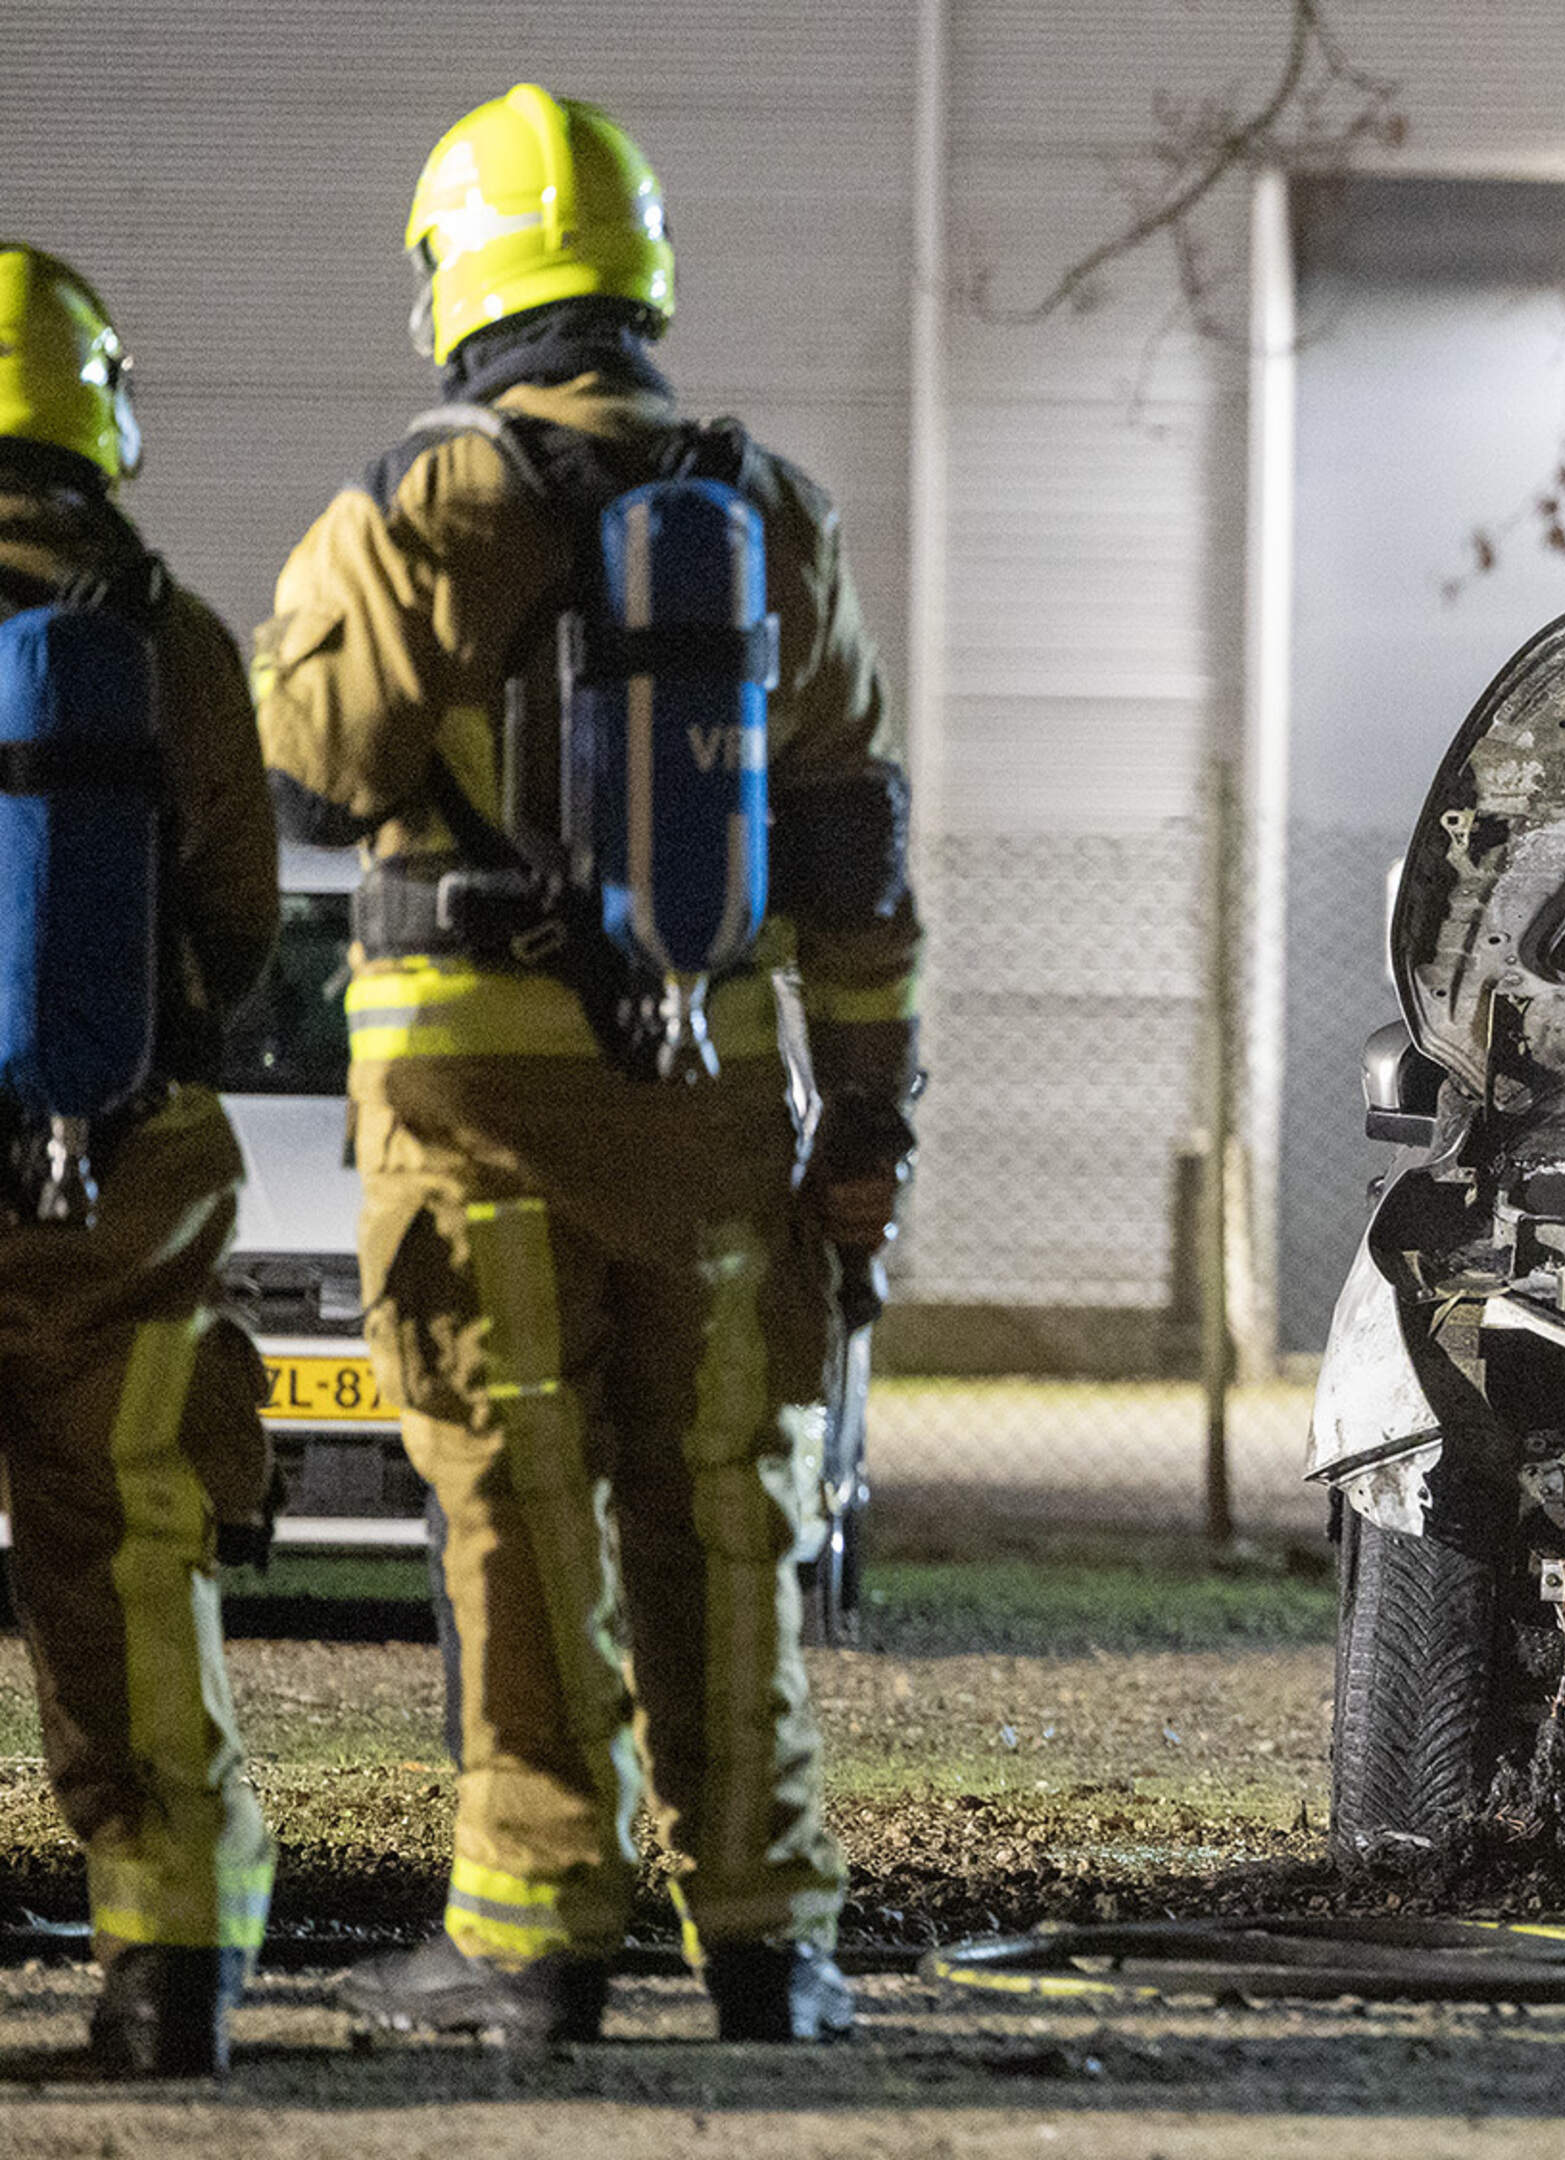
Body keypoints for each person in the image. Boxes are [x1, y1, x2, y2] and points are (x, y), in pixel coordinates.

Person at [251, 83, 922, 2046]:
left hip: (469, 1100)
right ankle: (773, 1940)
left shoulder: (417, 504)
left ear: (459, 277)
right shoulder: (772, 515)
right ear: (637, 273)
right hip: (713, 1093)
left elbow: (315, 768)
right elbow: (858, 857)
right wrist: (869, 1116)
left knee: (518, 1500)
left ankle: (532, 1938)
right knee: (725, 1509)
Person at [0, 242, 283, 2077]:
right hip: (115, 1159)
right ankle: (167, 1965)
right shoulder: (168, 631)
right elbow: (244, 918)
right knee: (127, 1553)